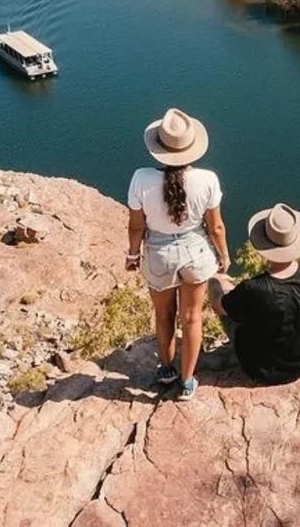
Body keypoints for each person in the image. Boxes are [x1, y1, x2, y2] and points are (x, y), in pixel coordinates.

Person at [126, 108, 230, 400]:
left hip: (158, 254)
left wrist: (134, 256)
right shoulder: (208, 179)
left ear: (158, 149)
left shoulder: (140, 178)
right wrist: (223, 256)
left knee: (164, 315)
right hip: (196, 252)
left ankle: (167, 370)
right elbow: (216, 227)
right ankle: (187, 382)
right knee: (192, 317)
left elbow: (136, 226)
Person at [209, 203, 300, 386]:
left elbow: (217, 305)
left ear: (263, 245)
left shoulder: (253, 288)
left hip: (260, 369)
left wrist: (214, 280)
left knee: (229, 303)